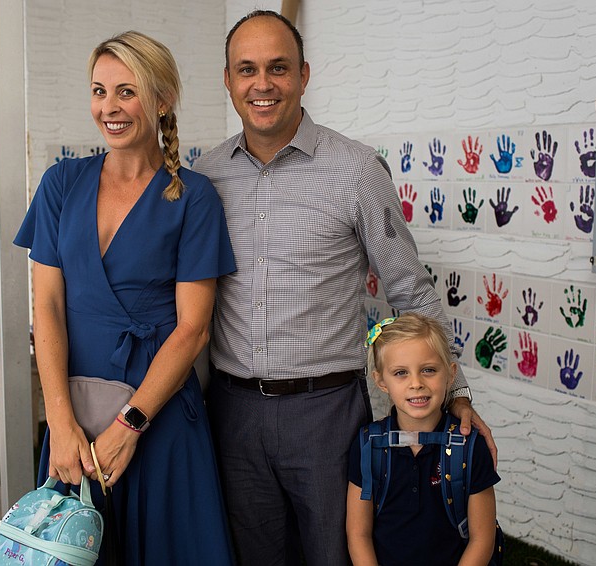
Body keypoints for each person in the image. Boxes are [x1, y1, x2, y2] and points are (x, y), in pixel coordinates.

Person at [194, 10, 497, 566]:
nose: (263, 84)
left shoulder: (356, 169)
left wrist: (456, 392)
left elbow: (409, 288)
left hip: (327, 414)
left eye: (278, 68)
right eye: (247, 70)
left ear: (305, 75)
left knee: (338, 554)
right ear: (228, 81)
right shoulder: (205, 177)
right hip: (232, 411)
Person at [14, 31, 235, 566]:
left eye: (126, 91)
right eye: (98, 90)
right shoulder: (61, 183)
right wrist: (60, 424)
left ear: (161, 100)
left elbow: (193, 330)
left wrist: (129, 426)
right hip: (75, 420)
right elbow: (46, 308)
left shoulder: (194, 197)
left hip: (156, 417)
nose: (108, 107)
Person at [346, 313, 500, 566]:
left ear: (450, 374)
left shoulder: (471, 447)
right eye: (400, 373)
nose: (416, 383)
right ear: (381, 381)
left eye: (428, 370)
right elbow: (358, 534)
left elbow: (482, 539)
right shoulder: (367, 445)